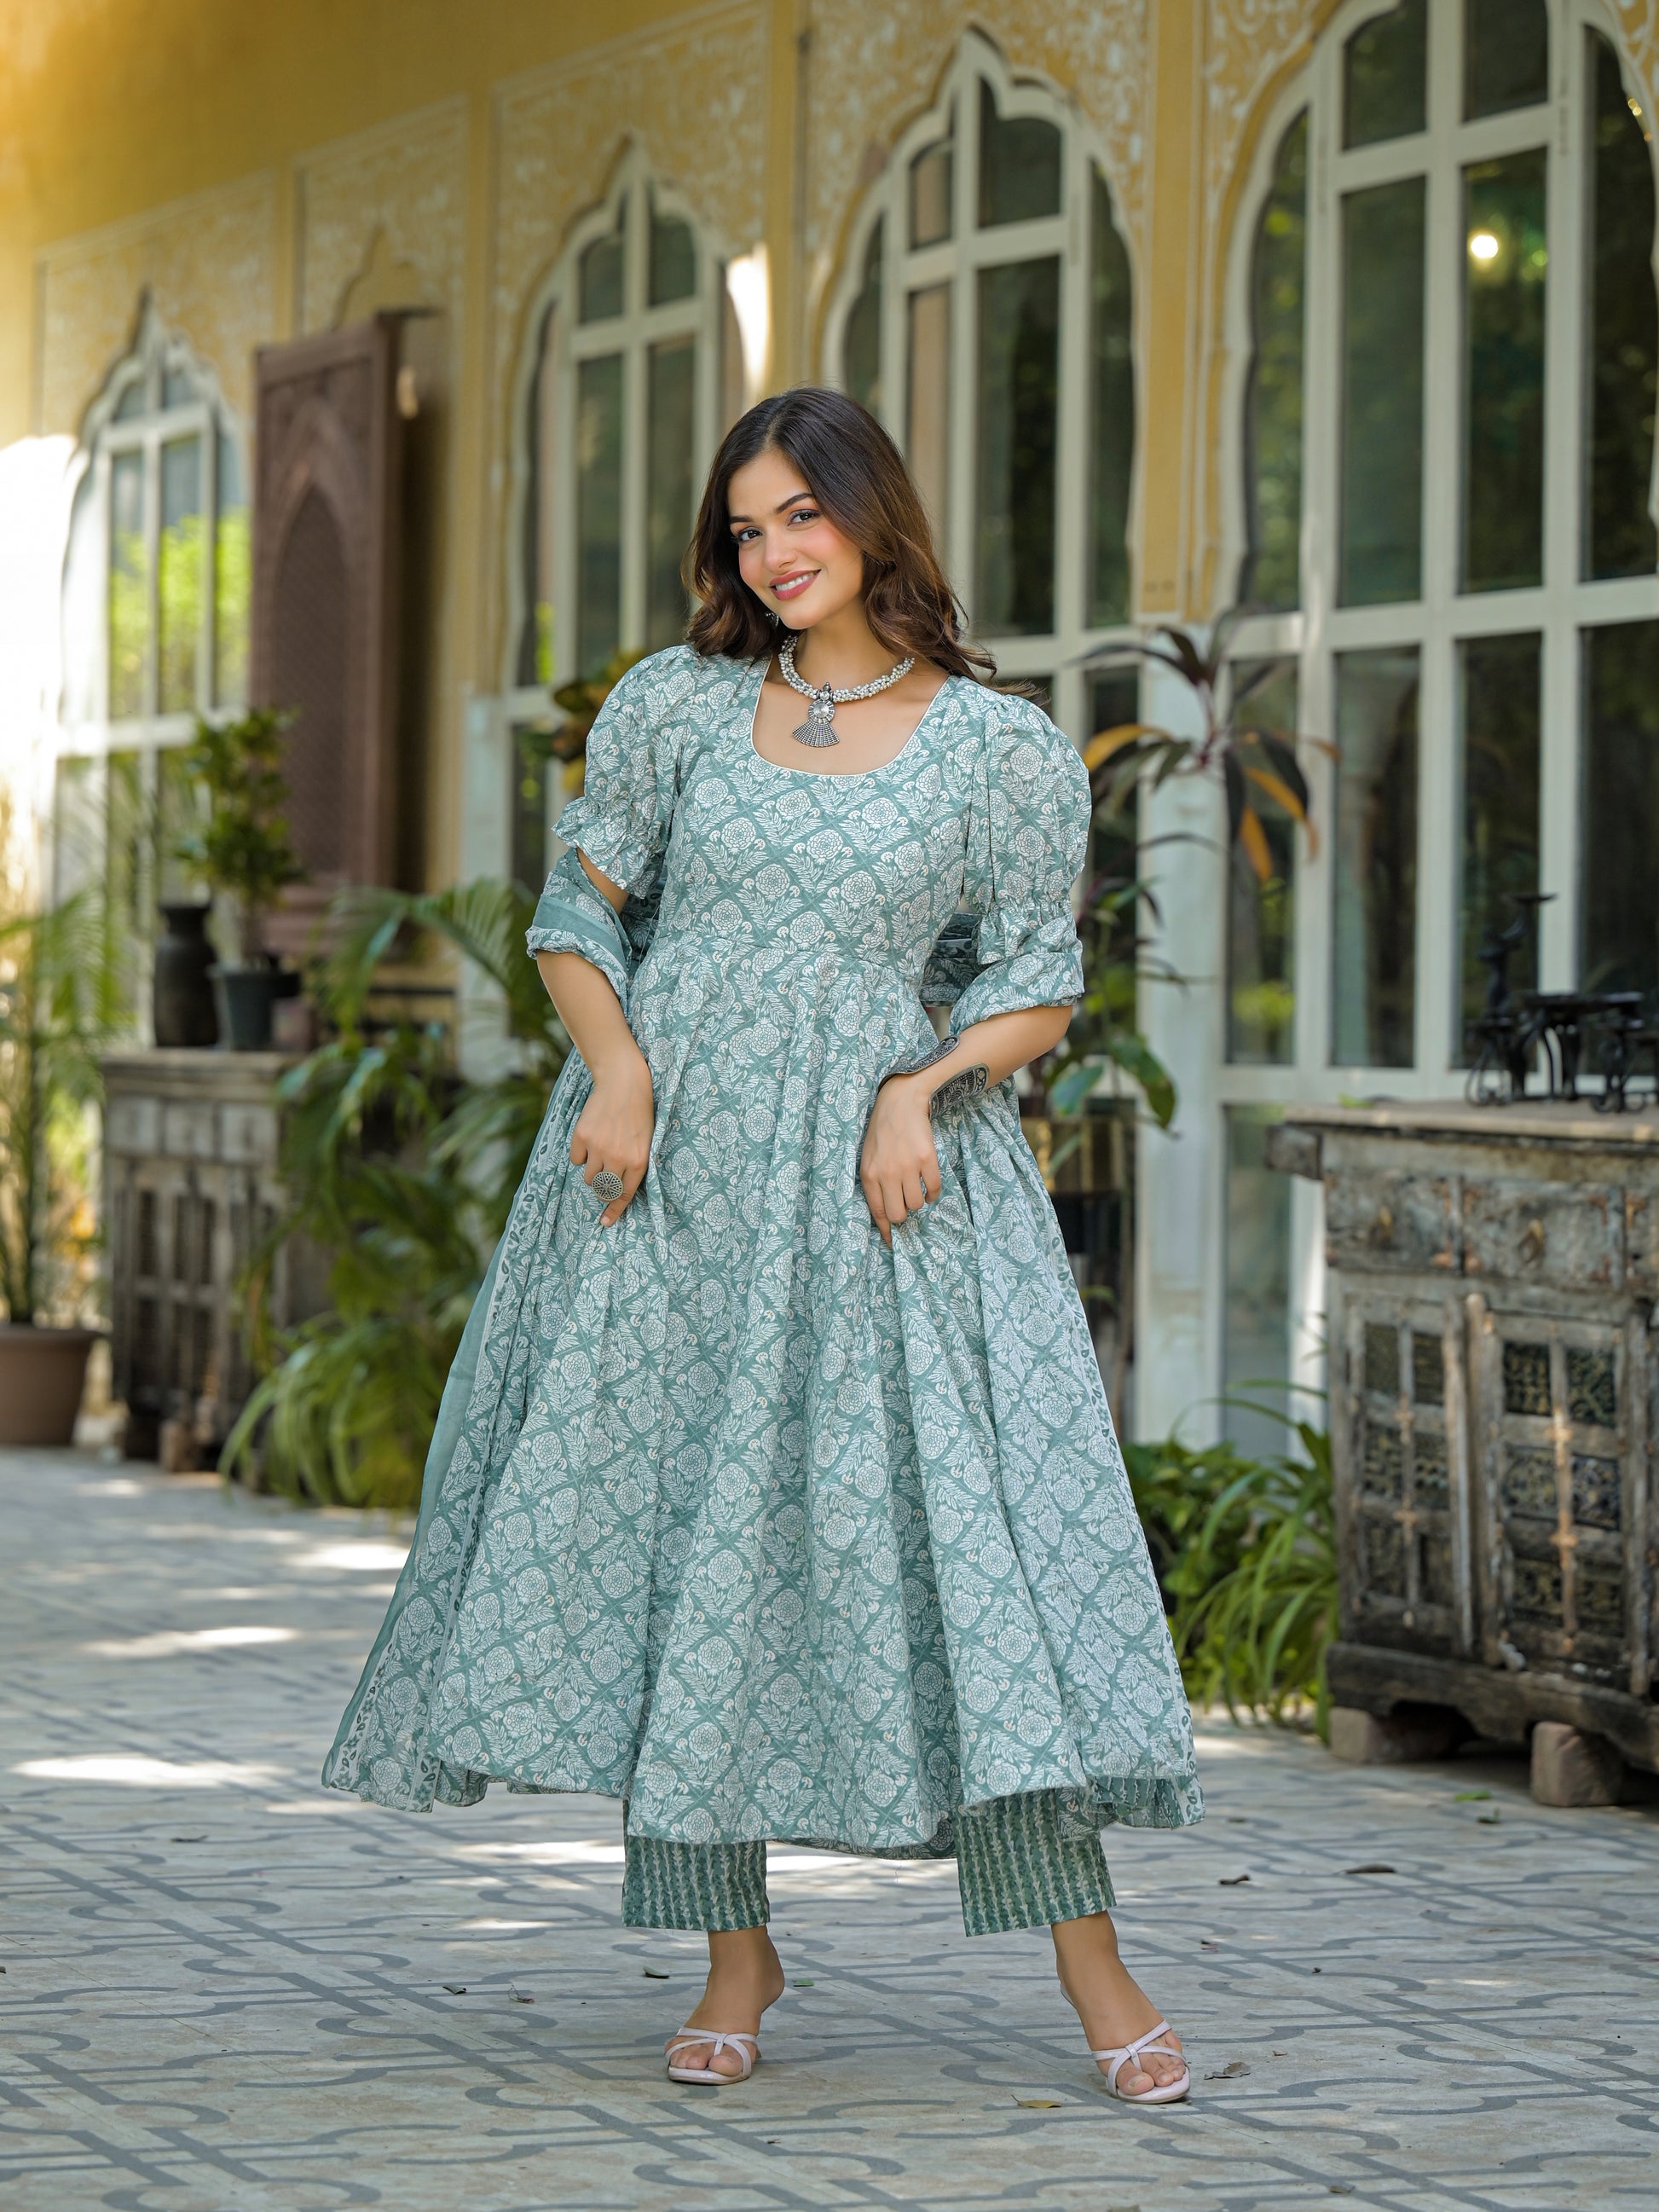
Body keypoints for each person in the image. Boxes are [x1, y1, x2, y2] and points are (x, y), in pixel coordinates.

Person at [324, 386, 1201, 2102]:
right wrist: (619, 1071)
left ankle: (1093, 1965)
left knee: (963, 1563)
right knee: (681, 1546)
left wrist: (918, 1088)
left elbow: (1036, 981)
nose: (775, 550)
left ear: (872, 513)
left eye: (802, 512)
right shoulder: (676, 707)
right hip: (668, 1187)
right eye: (746, 527)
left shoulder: (998, 747)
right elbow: (575, 913)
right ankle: (734, 1953)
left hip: (885, 1193)